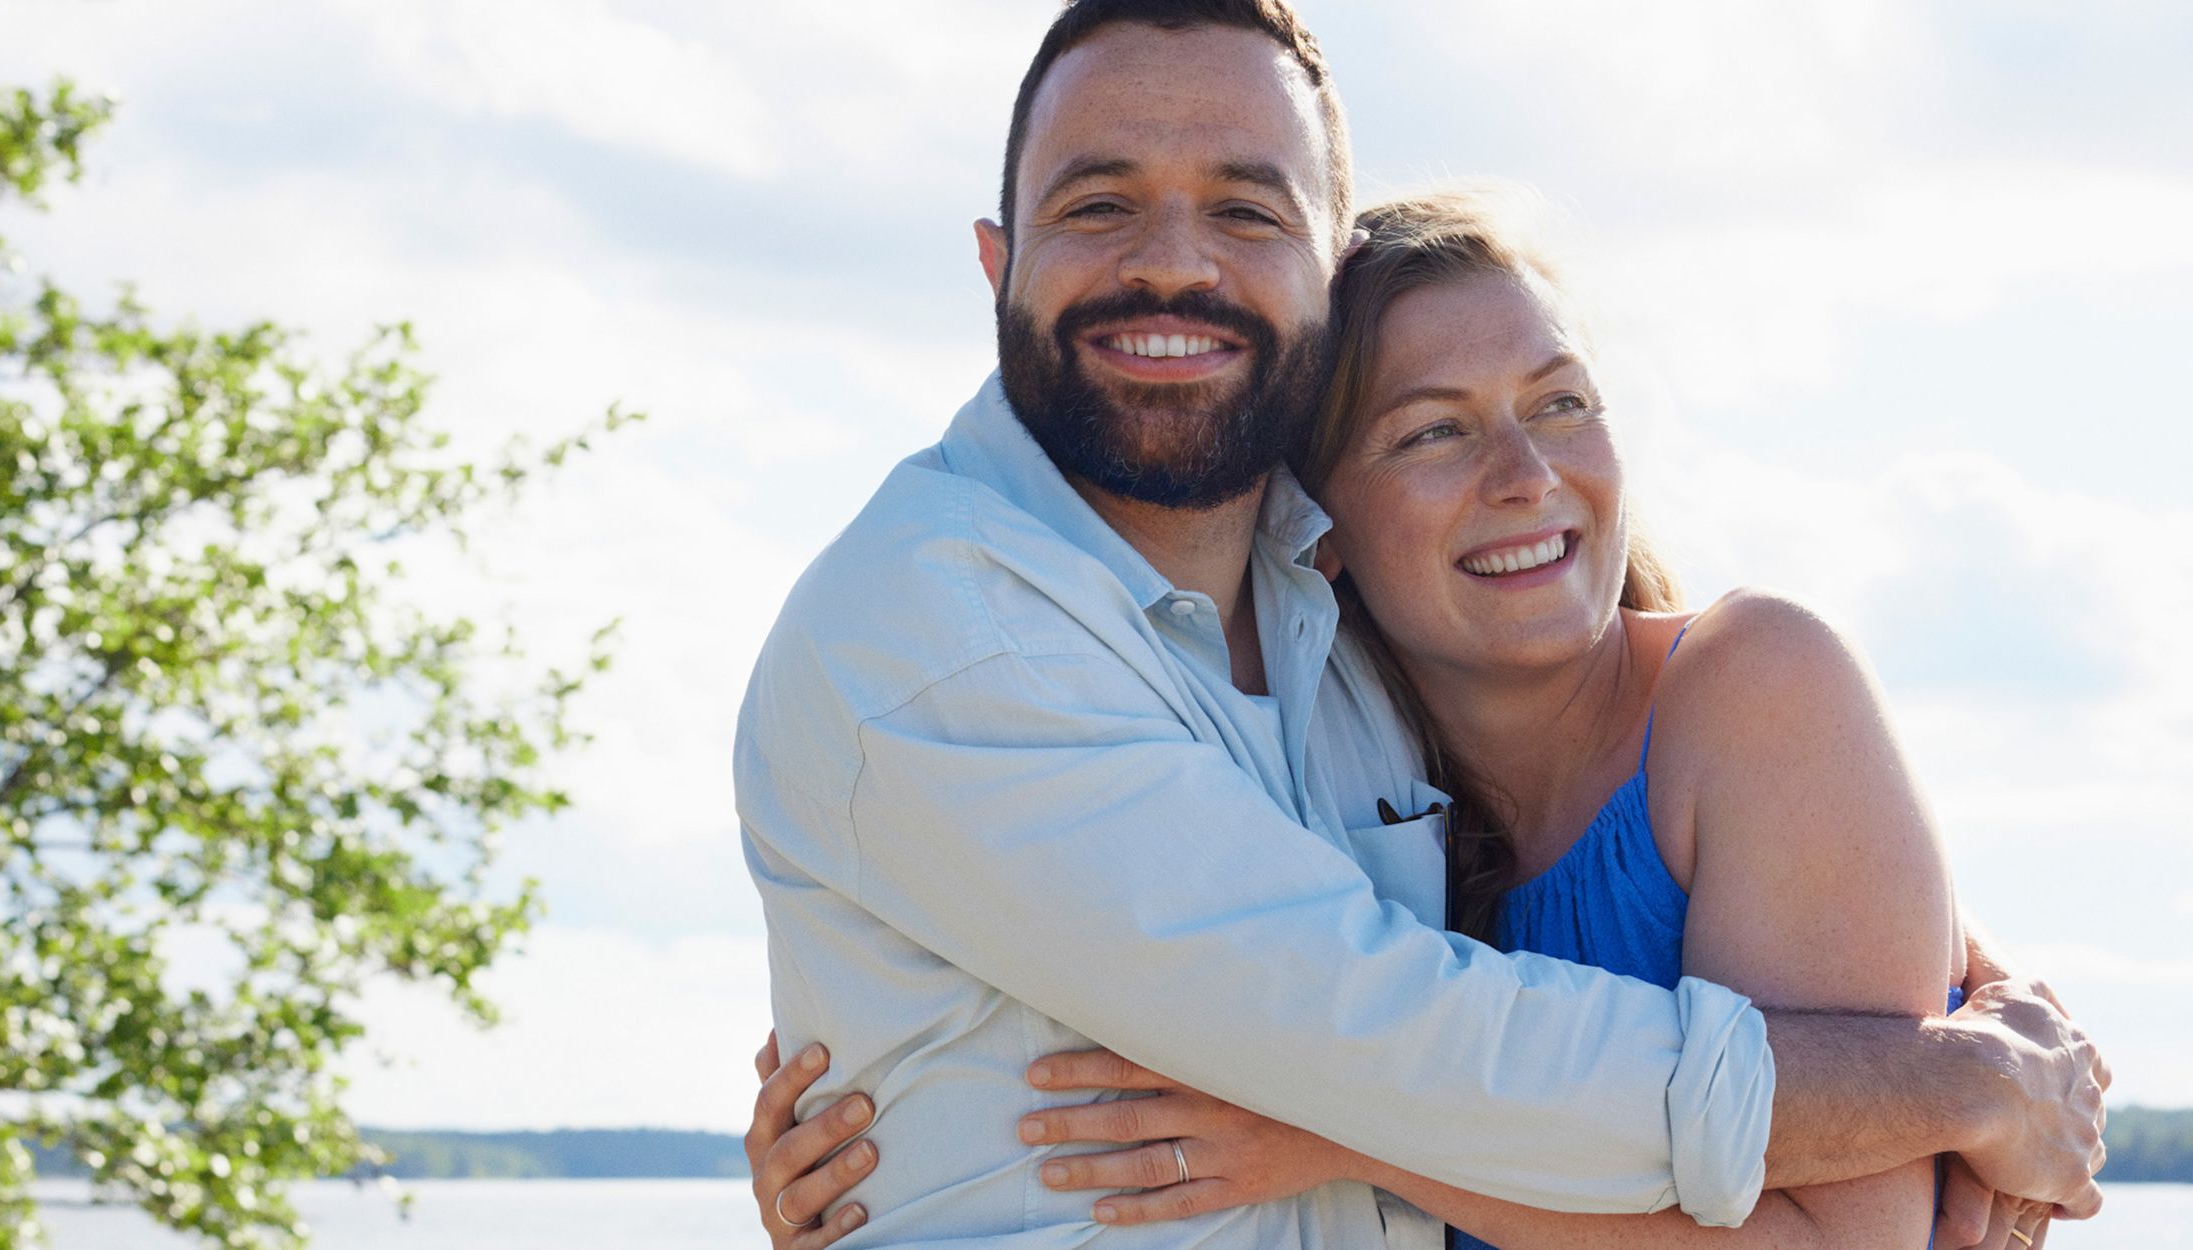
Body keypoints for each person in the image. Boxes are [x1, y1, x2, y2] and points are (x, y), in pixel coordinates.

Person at [733, 3, 2107, 1249]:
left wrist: (1958, 975)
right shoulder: (942, 635)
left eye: (1247, 209)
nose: (1174, 265)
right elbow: (1399, 1046)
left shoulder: (1322, 630)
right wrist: (1955, 1080)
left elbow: (1429, 1023)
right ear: (996, 262)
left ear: (1321, 284)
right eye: (1099, 204)